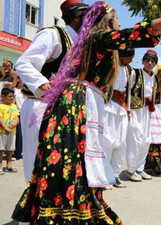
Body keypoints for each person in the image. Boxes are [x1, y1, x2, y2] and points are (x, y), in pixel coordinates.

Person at [11, 1, 161, 223]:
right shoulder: (96, 39)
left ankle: (63, 212)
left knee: (71, 164)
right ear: (107, 23)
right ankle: (50, 214)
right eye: (117, 21)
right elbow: (138, 34)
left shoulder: (90, 43)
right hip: (66, 106)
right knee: (60, 163)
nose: (120, 25)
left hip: (80, 106)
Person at [15, 0, 88, 183]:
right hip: (40, 107)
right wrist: (44, 85)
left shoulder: (79, 44)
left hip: (63, 110)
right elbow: (24, 63)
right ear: (77, 19)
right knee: (37, 161)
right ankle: (34, 205)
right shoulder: (52, 34)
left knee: (59, 162)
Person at [102, 48, 135, 189]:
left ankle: (115, 174)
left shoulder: (130, 71)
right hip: (107, 106)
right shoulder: (109, 66)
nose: (131, 60)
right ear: (121, 56)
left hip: (122, 108)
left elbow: (128, 91)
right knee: (107, 141)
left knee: (121, 142)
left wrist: (128, 109)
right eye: (129, 57)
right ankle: (103, 176)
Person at [126, 50, 159, 181]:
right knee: (135, 138)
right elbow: (128, 91)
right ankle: (131, 169)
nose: (149, 63)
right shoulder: (136, 73)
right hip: (135, 109)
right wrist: (127, 109)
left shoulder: (154, 77)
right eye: (147, 60)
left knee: (146, 139)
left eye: (152, 61)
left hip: (147, 110)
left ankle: (140, 168)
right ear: (143, 61)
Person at [0, 88, 19, 175]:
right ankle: (0, 167)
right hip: (2, 131)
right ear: (3, 96)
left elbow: (16, 118)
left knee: (10, 149)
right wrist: (5, 128)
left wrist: (13, 125)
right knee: (1, 149)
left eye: (13, 96)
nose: (12, 98)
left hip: (12, 131)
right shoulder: (1, 106)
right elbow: (0, 119)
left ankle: (9, 165)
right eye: (9, 96)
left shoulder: (14, 106)